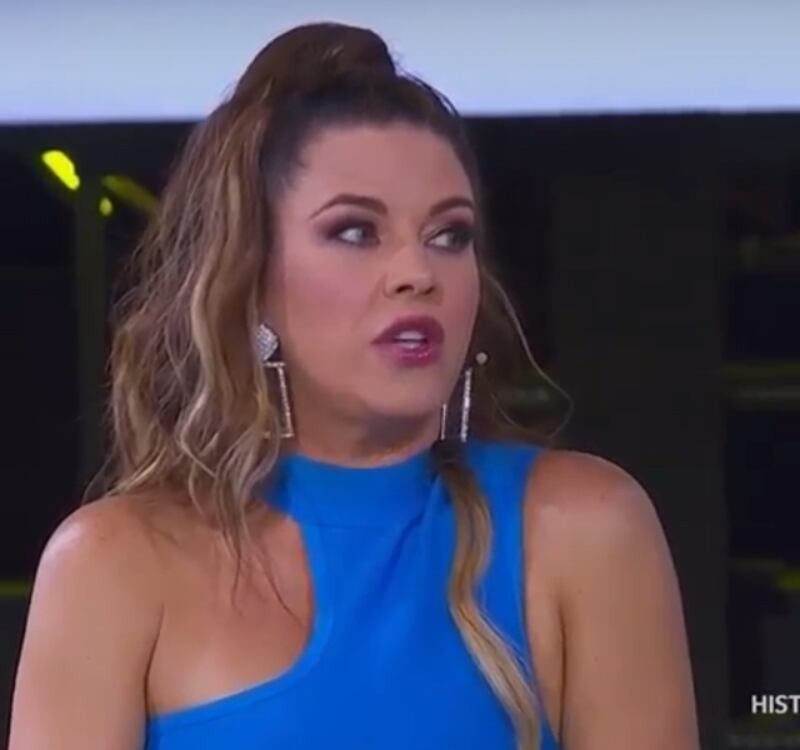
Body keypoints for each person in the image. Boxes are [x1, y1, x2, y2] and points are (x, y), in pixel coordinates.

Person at [8, 21, 700, 750]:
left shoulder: (583, 530)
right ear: (251, 280)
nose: (418, 273)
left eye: (449, 235)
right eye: (355, 232)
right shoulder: (114, 566)